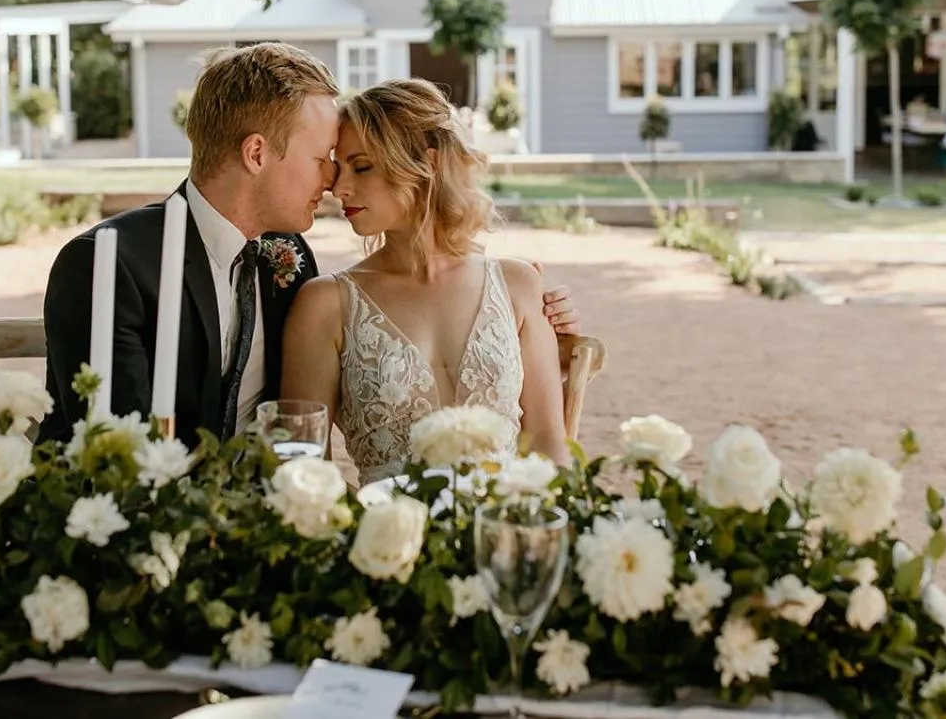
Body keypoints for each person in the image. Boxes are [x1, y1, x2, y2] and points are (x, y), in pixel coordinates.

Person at [37, 43, 580, 449]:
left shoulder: (289, 262)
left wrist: (523, 325)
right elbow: (118, 451)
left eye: (350, 165)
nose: (333, 183)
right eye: (324, 157)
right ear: (256, 154)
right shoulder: (110, 265)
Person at [281, 79, 568, 484]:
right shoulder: (325, 304)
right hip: (384, 541)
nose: (338, 188)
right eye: (338, 167)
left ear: (428, 164)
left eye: (362, 166)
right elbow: (303, 467)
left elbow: (547, 443)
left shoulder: (518, 285)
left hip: (502, 531)